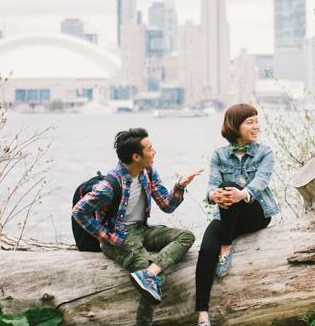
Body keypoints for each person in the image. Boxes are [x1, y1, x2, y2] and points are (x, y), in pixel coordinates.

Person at [72, 128, 202, 326]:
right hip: (119, 238)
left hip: (143, 229)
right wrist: (107, 237)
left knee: (186, 237)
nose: (154, 152)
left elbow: (167, 206)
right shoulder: (111, 184)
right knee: (156, 282)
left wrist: (180, 186)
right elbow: (79, 212)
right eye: (150, 149)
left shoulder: (147, 172)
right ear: (136, 156)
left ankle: (148, 273)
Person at [195, 104, 279, 326]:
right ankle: (202, 314)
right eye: (250, 122)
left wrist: (241, 194)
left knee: (230, 186)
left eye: (256, 121)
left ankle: (227, 243)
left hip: (256, 212)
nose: (256, 126)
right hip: (227, 212)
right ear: (235, 126)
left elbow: (260, 182)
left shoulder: (265, 153)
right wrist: (214, 195)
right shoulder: (219, 155)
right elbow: (212, 184)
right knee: (205, 250)